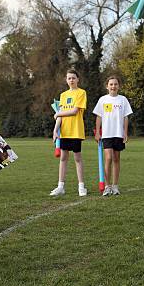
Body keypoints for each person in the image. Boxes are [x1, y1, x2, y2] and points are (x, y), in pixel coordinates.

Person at [92, 76, 133, 196]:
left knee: (116, 159)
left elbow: (126, 117)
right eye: (111, 84)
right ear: (107, 86)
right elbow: (99, 116)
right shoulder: (103, 100)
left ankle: (115, 186)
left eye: (115, 84)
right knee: (108, 158)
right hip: (107, 134)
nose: (113, 86)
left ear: (118, 86)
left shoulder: (123, 100)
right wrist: (98, 132)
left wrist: (125, 132)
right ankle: (107, 186)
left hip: (118, 134)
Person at [50, 69, 88, 197]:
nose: (71, 80)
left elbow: (74, 111)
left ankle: (81, 186)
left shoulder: (81, 93)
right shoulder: (63, 95)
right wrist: (55, 130)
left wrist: (58, 113)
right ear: (66, 80)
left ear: (78, 79)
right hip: (64, 132)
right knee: (63, 157)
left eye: (73, 78)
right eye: (69, 78)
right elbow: (60, 116)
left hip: (76, 131)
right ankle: (61, 187)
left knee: (77, 158)